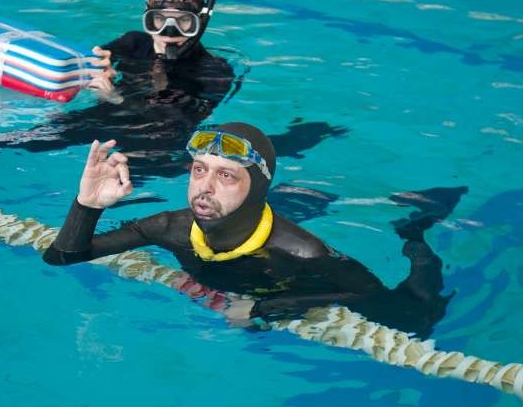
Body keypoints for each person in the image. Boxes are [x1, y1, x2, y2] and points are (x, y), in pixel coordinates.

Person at [43, 122, 464, 338]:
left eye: (226, 177)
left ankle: (416, 229)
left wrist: (266, 309)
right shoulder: (170, 226)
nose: (203, 189)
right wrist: (87, 204)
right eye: (199, 170)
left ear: (258, 188)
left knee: (418, 319)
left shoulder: (301, 251)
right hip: (249, 295)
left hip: (315, 287)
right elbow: (63, 258)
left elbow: (373, 299)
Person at [0, 0, 348, 184]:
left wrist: (115, 98)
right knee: (15, 144)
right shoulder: (133, 42)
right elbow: (92, 57)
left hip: (162, 146)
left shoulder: (215, 71)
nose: (169, 33)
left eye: (183, 23)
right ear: (146, 15)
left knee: (124, 183)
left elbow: (173, 125)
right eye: (158, 20)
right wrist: (94, 65)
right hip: (108, 119)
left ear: (201, 21)